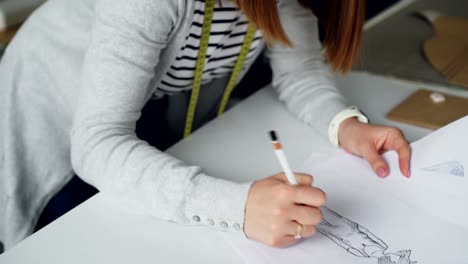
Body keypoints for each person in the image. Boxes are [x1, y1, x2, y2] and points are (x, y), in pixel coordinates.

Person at [0, 0, 411, 251]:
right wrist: (237, 208)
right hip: (55, 104)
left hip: (137, 103)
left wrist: (345, 125)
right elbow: (97, 143)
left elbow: (300, 71)